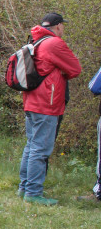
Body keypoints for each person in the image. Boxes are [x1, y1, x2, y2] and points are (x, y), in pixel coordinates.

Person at [18, 13, 81, 206]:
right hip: (47, 104)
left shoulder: (35, 41)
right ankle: (33, 193)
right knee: (41, 149)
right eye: (63, 26)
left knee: (31, 146)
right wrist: (62, 71)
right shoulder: (54, 44)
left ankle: (24, 188)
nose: (63, 30)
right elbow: (76, 69)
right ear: (58, 26)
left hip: (32, 102)